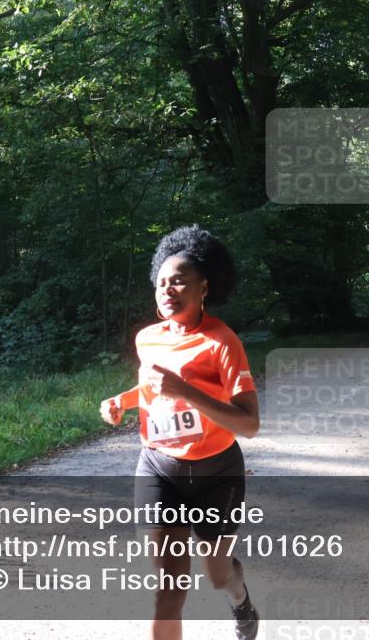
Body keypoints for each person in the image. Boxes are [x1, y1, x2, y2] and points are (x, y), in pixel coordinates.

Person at [100, 224, 260, 640]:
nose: (168, 290)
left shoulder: (222, 342)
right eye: (162, 283)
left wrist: (187, 391)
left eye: (179, 283)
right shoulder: (147, 338)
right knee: (167, 588)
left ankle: (241, 600)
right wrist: (121, 400)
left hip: (216, 472)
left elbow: (249, 423)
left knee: (217, 575)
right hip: (159, 468)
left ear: (203, 287)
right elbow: (153, 389)